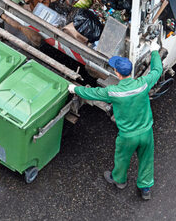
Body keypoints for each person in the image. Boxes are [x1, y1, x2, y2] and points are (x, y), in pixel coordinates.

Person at [68, 41, 162, 200]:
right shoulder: (143, 84)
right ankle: (145, 189)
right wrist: (154, 52)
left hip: (127, 136)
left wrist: (74, 89)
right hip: (146, 132)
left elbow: (93, 94)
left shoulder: (113, 92)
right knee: (146, 159)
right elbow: (157, 70)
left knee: (122, 158)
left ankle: (119, 181)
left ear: (117, 73)